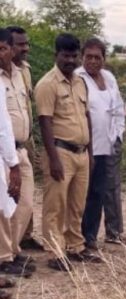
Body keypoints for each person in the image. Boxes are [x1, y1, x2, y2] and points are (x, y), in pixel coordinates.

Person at [35, 33, 102, 271]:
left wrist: (91, 154)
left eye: (74, 56)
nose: (70, 60)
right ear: (57, 55)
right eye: (66, 55)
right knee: (56, 205)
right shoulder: (47, 84)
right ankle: (55, 252)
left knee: (77, 204)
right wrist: (53, 159)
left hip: (82, 153)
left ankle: (76, 247)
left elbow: (86, 117)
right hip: (60, 151)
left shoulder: (80, 82)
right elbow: (45, 122)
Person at [76, 38, 126, 249]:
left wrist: (117, 135)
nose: (92, 61)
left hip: (107, 145)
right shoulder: (78, 77)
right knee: (83, 193)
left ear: (104, 60)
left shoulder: (108, 77)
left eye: (97, 57)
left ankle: (90, 237)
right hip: (86, 145)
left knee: (100, 192)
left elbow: (118, 108)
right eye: (88, 57)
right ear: (83, 57)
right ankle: (77, 237)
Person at [0, 28, 35, 278]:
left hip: (22, 147)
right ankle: (5, 257)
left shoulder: (23, 73)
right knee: (4, 206)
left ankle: (13, 249)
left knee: (25, 204)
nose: (23, 49)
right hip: (4, 151)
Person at [8, 25, 45, 252]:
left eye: (27, 43)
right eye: (21, 44)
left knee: (27, 196)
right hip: (8, 145)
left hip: (26, 141)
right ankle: (9, 247)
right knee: (11, 195)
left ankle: (25, 236)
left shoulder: (25, 71)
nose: (26, 48)